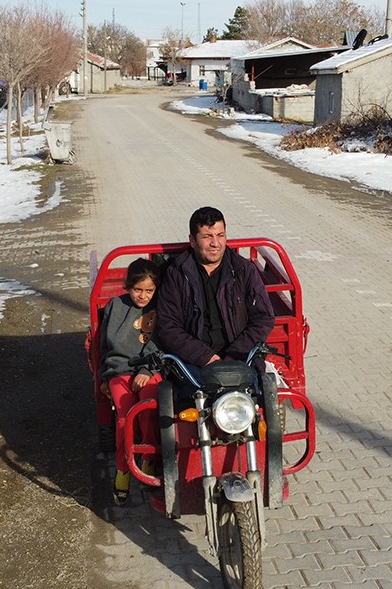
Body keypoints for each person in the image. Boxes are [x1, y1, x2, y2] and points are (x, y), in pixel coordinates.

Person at [156, 206, 275, 379]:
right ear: (192, 240)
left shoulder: (243, 270)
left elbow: (263, 318)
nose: (215, 243)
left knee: (254, 400)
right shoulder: (177, 273)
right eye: (207, 236)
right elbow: (167, 325)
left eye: (220, 235)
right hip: (193, 363)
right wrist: (205, 357)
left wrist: (234, 355)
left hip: (240, 359)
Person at [98, 258, 163, 505]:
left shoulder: (161, 308)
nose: (143, 296)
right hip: (120, 372)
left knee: (149, 410)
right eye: (138, 289)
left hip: (150, 369)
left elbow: (161, 343)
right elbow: (104, 345)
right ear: (128, 286)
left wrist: (147, 369)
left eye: (149, 290)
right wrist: (105, 375)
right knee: (125, 419)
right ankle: (123, 469)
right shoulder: (116, 306)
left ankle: (147, 457)